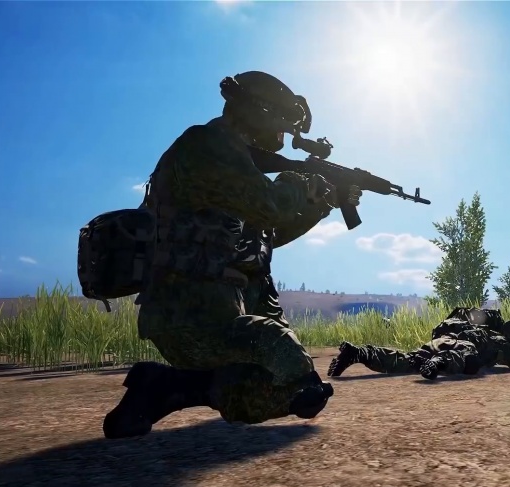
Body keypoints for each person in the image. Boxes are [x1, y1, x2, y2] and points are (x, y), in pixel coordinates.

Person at [103, 71, 359, 439]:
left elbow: (267, 236)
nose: (283, 135)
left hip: (221, 312)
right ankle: (176, 384)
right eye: (281, 123)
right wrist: (298, 181)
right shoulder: (205, 145)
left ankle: (164, 387)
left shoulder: (238, 164)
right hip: (184, 311)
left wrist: (320, 204)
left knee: (265, 393)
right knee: (287, 360)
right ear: (257, 111)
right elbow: (270, 205)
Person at [327, 315, 510, 380]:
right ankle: (440, 362)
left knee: (409, 360)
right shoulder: (498, 339)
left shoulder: (476, 327)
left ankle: (360, 353)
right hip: (457, 347)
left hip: (439, 341)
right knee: (472, 362)